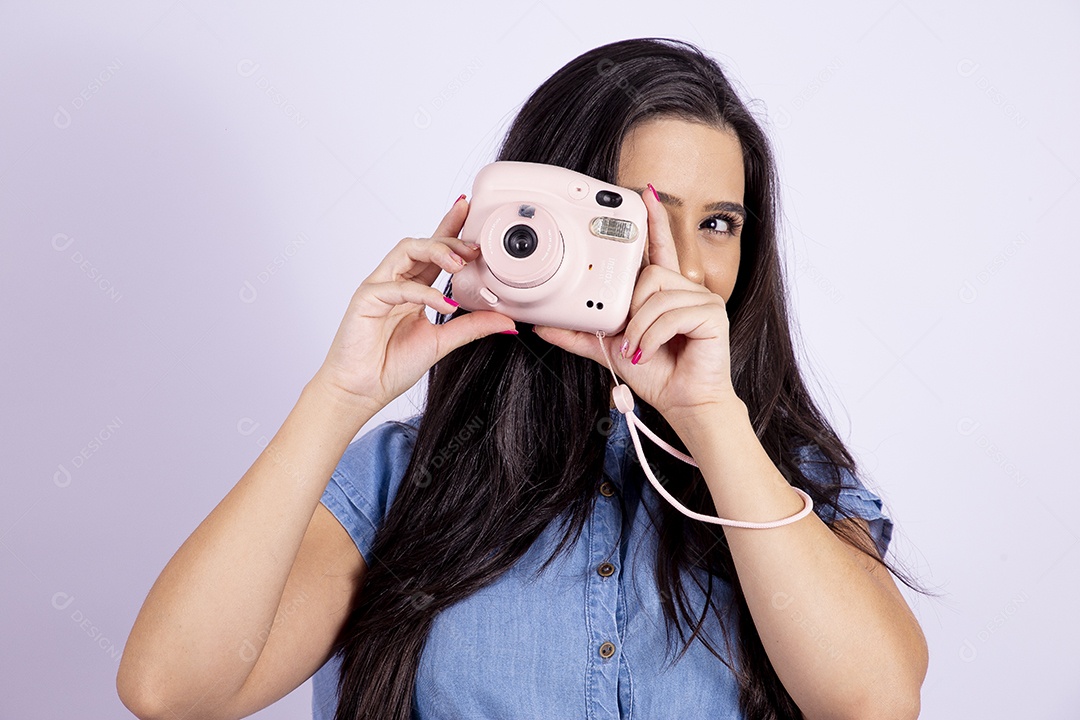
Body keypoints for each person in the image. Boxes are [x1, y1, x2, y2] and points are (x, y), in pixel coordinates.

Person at [117, 37, 928, 720]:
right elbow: (172, 689)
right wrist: (339, 395)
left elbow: (875, 702)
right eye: (640, 215)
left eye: (718, 223)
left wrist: (711, 418)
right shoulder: (404, 483)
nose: (681, 261)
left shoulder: (787, 485)